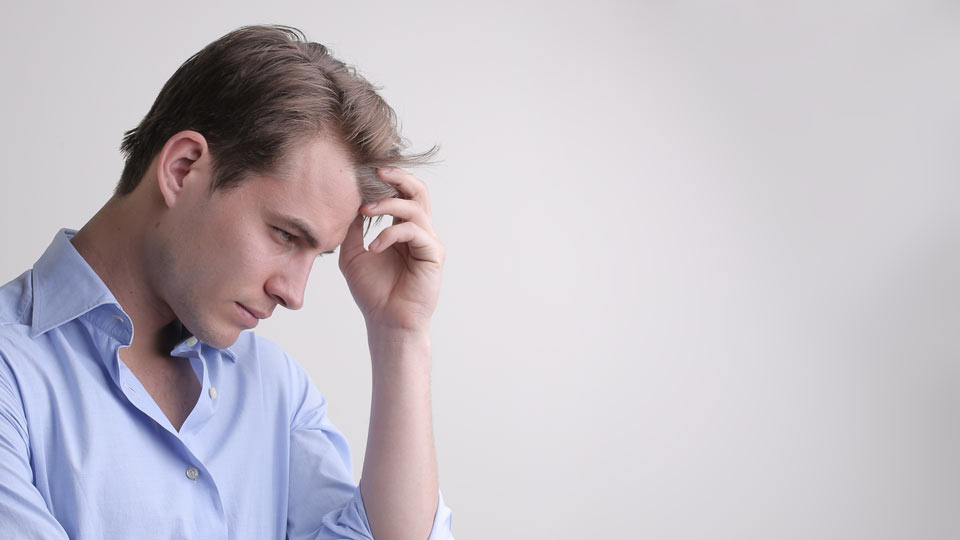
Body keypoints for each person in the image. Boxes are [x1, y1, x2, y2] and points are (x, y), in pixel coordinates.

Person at [0, 25, 453, 540]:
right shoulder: (11, 372)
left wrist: (400, 335)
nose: (295, 294)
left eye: (318, 255)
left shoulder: (278, 389)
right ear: (182, 167)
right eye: (285, 234)